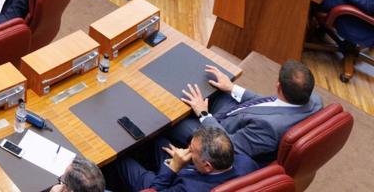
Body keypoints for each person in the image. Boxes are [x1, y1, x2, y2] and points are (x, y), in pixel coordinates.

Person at [171, 61, 321, 164]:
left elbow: (229, 146)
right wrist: (231, 87)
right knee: (215, 92)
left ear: (278, 86)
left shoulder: (269, 128)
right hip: (241, 115)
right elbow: (269, 104)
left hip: (223, 136)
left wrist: (203, 115)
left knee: (176, 121)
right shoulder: (314, 100)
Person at [119, 125, 257, 192]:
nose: (186, 150)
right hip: (191, 171)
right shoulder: (247, 162)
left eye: (191, 150)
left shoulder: (188, 189)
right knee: (160, 142)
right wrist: (189, 163)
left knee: (122, 160)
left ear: (207, 165)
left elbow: (154, 190)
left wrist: (172, 168)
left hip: (163, 184)